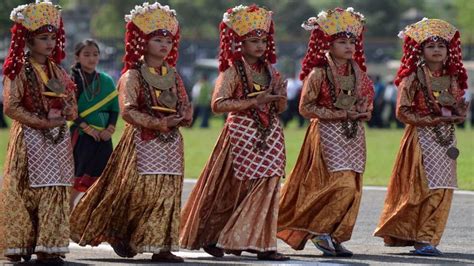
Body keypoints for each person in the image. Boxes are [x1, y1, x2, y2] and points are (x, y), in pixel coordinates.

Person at [69, 2, 192, 263]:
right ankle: (124, 235)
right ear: (143, 42)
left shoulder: (174, 75)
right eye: (157, 39)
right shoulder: (133, 75)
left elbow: (185, 104)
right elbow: (127, 111)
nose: (164, 46)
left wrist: (183, 117)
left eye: (167, 41)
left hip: (171, 144)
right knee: (140, 192)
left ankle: (162, 247)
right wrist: (157, 123)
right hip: (143, 143)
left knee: (168, 191)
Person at [180, 4, 289, 261]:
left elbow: (280, 107)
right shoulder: (231, 71)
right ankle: (217, 235)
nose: (260, 45)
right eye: (253, 41)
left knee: (270, 183)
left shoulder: (271, 71)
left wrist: (279, 96)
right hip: (240, 134)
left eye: (263, 40)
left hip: (270, 133)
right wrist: (254, 101)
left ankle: (264, 243)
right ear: (240, 43)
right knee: (233, 188)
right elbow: (218, 104)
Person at [277, 7, 374, 257]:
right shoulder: (318, 73)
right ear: (328, 44)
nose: (349, 46)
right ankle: (319, 231)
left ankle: (333, 234)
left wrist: (363, 110)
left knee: (353, 185)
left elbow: (366, 102)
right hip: (326, 133)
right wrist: (342, 114)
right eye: (342, 42)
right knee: (339, 184)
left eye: (352, 41)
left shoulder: (359, 73)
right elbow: (305, 108)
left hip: (353, 134)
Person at [374, 18, 469, 256]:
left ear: (448, 50)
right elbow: (402, 111)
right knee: (422, 189)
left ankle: (428, 238)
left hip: (446, 139)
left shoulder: (453, 78)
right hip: (420, 138)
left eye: (441, 46)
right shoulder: (413, 77)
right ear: (420, 50)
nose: (437, 50)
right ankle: (416, 236)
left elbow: (456, 108)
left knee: (443, 188)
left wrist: (459, 113)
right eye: (431, 46)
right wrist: (432, 120)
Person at [0, 1, 77, 264]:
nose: (50, 43)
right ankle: (19, 246)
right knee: (24, 190)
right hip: (30, 138)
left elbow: (73, 107)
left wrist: (67, 108)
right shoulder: (18, 69)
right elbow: (11, 107)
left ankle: (49, 248)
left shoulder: (58, 70)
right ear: (29, 40)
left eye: (53, 38)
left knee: (56, 190)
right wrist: (41, 122)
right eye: (43, 38)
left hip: (57, 141)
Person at [69, 39, 119, 207]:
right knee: (78, 178)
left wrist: (109, 130)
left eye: (95, 54)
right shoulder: (71, 80)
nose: (92, 58)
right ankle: (67, 216)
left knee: (100, 181)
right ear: (77, 57)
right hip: (82, 136)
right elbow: (70, 109)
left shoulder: (106, 80)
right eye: (87, 54)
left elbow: (114, 109)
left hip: (104, 138)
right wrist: (88, 129)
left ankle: (84, 222)